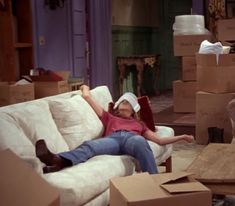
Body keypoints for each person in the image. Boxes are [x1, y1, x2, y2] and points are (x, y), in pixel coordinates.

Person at [36, 85, 194, 174]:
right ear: (117, 106)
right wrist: (84, 88)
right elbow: (88, 98)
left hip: (131, 139)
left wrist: (182, 137)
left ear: (133, 110)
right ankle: (58, 160)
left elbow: (159, 140)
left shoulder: (139, 125)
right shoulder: (109, 117)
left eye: (128, 103)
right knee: (90, 145)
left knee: (139, 141)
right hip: (112, 140)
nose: (125, 104)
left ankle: (154, 184)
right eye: (122, 102)